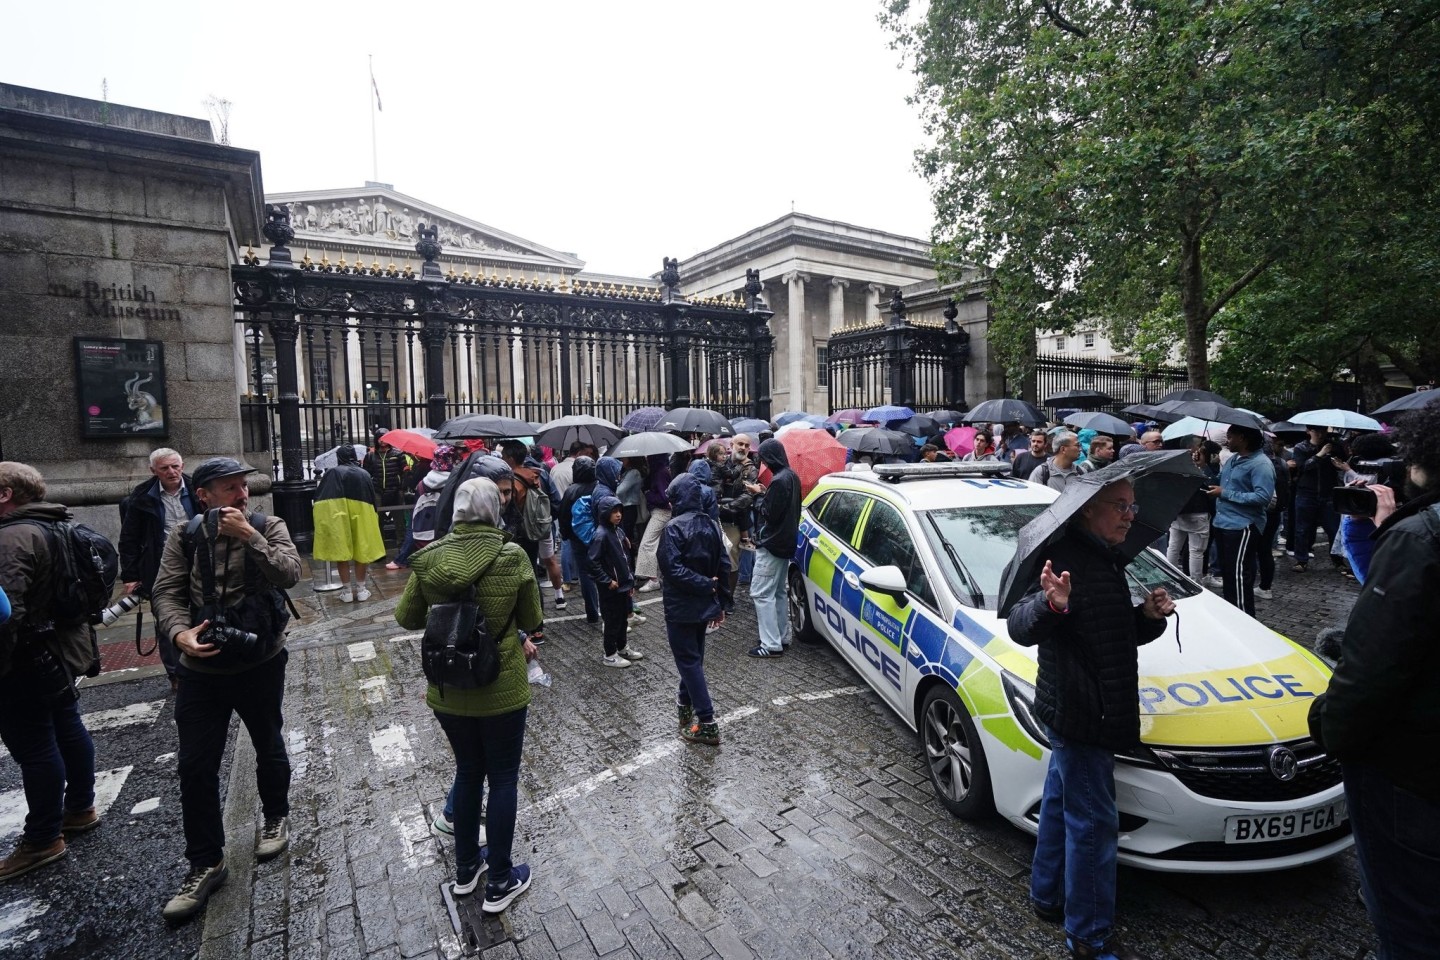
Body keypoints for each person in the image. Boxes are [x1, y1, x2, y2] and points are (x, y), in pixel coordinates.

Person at [1007, 477, 1174, 960]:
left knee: (1062, 805)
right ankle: (1090, 935)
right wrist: (1050, 603)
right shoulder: (1064, 560)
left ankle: (1047, 894)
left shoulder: (1107, 560)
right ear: (1086, 510)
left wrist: (1146, 616)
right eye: (1119, 506)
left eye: (1132, 505)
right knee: (1094, 825)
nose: (1130, 514)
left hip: (1090, 709)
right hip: (1083, 715)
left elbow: (1110, 636)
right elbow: (1020, 627)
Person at [1308, 405, 1440, 958]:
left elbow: (1373, 667)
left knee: (1409, 924)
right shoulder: (1412, 536)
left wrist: (1328, 725)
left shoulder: (1420, 539)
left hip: (1411, 770)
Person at [151, 458, 302, 923]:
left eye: (244, 487)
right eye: (230, 488)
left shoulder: (266, 524)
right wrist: (180, 635)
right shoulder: (185, 535)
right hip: (201, 667)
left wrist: (249, 538)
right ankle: (205, 862)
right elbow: (166, 591)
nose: (241, 495)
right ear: (204, 495)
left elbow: (290, 573)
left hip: (259, 659)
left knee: (268, 741)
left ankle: (275, 815)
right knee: (195, 764)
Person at [394, 478, 541, 914]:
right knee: (504, 778)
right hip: (502, 686)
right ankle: (499, 879)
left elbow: (405, 618)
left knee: (469, 772)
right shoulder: (511, 555)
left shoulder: (431, 558)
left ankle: (465, 871)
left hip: (449, 688)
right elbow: (533, 618)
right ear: (495, 508)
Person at [0, 462, 99, 882]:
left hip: (24, 657)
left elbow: (8, 612)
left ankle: (42, 838)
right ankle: (80, 807)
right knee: (66, 725)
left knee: (36, 744)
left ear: (6, 494)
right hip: (59, 648)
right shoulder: (57, 523)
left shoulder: (11, 537)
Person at [658, 473, 731, 745]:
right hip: (701, 605)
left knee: (689, 660)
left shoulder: (673, 528)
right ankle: (684, 704)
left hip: (681, 606)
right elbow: (724, 564)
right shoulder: (711, 524)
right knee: (693, 658)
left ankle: (707, 721)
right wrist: (720, 600)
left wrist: (708, 588)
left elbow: (672, 570)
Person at [118, 447, 199, 685]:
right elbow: (129, 539)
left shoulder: (198, 489)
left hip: (199, 561)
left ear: (182, 466)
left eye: (175, 466)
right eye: (165, 468)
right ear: (154, 471)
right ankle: (176, 673)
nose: (172, 472)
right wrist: (131, 576)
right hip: (161, 565)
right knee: (167, 617)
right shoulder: (141, 497)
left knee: (201, 612)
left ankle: (202, 663)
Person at [1205, 425, 1274, 615]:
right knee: (1228, 573)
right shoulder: (1234, 460)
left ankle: (1244, 617)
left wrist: (1224, 493)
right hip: (1223, 523)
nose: (1227, 441)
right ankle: (1232, 615)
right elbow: (1218, 481)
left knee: (1238, 575)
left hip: (1243, 526)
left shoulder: (1261, 464)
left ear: (1242, 438)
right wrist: (1203, 465)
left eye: (1230, 437)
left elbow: (1263, 498)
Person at [499, 440, 567, 610]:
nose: (502, 459)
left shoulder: (509, 480)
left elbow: (508, 509)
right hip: (543, 525)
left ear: (511, 458)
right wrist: (548, 519)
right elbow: (556, 501)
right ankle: (559, 596)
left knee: (527, 568)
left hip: (523, 532)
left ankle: (533, 608)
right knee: (550, 560)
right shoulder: (540, 473)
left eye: (503, 456)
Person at [312, 445, 385, 602]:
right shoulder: (364, 473)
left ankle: (346, 591)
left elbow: (320, 497)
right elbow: (372, 498)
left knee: (341, 551)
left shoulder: (332, 473)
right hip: (362, 513)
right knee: (362, 550)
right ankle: (361, 589)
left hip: (338, 513)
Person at [749, 439, 800, 658]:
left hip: (772, 543)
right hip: (784, 543)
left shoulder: (779, 481)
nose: (762, 462)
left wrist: (758, 496)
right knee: (778, 592)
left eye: (763, 458)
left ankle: (770, 644)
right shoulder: (792, 477)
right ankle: (782, 636)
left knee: (761, 593)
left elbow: (769, 513)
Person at [590, 496, 642, 668]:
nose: (618, 515)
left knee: (622, 620)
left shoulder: (617, 531)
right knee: (612, 622)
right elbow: (592, 562)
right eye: (613, 512)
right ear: (605, 513)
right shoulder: (601, 535)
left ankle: (622, 647)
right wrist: (607, 581)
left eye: (619, 511)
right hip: (611, 589)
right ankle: (610, 654)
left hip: (622, 586)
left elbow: (625, 559)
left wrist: (629, 581)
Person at [1290, 426, 1345, 572]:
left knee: (1333, 529)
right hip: (1306, 493)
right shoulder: (1301, 447)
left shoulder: (1334, 446)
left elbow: (1342, 464)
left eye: (1323, 430)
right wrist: (1320, 454)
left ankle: (1337, 560)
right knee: (1303, 528)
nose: (1320, 434)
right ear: (1309, 431)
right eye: (1316, 431)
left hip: (1328, 493)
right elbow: (1303, 467)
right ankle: (1301, 560)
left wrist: (1338, 462)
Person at [557, 456, 601, 623]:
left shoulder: (571, 491)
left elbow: (563, 515)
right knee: (603, 571)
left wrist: (566, 534)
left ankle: (592, 613)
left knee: (585, 574)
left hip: (578, 539)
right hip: (599, 536)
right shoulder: (599, 487)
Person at [1166, 442, 1217, 580]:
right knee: (1196, 551)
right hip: (1198, 511)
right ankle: (1197, 583)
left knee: (1174, 548)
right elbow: (1210, 485)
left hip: (1178, 512)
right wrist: (1203, 465)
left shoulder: (1171, 468)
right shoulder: (1198, 470)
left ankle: (1170, 578)